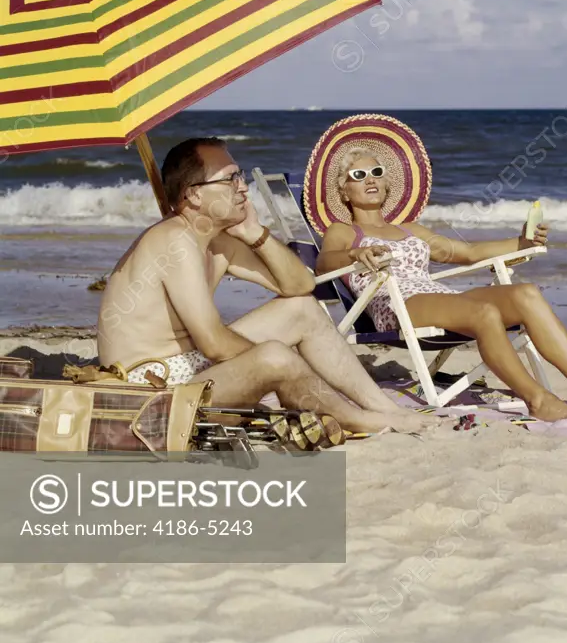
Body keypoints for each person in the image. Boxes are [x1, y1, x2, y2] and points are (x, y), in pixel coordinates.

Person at [97, 137, 435, 434]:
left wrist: (254, 234)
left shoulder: (217, 241)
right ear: (194, 195)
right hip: (151, 391)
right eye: (230, 179)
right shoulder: (174, 240)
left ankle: (383, 408)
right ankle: (357, 419)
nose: (243, 187)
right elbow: (214, 343)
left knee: (301, 311)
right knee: (274, 356)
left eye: (240, 176)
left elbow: (302, 286)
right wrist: (286, 366)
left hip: (189, 366)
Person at [314, 138, 567, 423]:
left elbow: (467, 252)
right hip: (396, 306)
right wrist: (355, 255)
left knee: (526, 294)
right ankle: (538, 400)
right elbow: (325, 263)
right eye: (358, 175)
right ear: (344, 190)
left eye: (376, 172)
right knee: (484, 313)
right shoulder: (344, 232)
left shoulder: (411, 229)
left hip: (438, 296)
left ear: (386, 184)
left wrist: (523, 243)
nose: (369, 180)